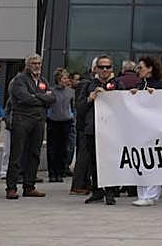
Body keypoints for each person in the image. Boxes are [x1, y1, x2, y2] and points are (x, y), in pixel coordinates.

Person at [5, 53, 54, 200]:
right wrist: (42, 97)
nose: (37, 66)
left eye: (39, 63)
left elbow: (52, 98)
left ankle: (29, 185)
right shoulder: (19, 80)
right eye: (34, 63)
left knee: (34, 154)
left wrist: (36, 96)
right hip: (22, 120)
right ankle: (11, 187)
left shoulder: (43, 80)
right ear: (27, 65)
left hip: (39, 121)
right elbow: (23, 98)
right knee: (17, 154)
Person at [74, 56, 118, 205]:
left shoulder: (118, 84)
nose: (105, 70)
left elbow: (127, 103)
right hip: (92, 129)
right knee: (93, 161)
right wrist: (89, 98)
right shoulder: (88, 85)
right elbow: (79, 108)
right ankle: (97, 190)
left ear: (112, 69)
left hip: (112, 129)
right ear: (96, 69)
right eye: (102, 67)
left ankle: (110, 192)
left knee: (110, 160)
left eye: (108, 67)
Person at [129, 56, 162, 207]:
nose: (138, 70)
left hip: (156, 130)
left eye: (141, 67)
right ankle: (142, 193)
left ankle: (151, 194)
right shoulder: (139, 86)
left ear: (150, 68)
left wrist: (157, 96)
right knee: (142, 161)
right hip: (141, 130)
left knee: (154, 161)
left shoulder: (160, 86)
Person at [46, 68, 74, 183]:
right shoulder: (51, 91)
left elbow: (72, 106)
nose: (66, 80)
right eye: (64, 78)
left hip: (66, 121)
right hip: (53, 120)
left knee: (63, 148)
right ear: (58, 79)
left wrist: (72, 116)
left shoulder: (70, 92)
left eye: (67, 78)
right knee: (53, 148)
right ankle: (52, 173)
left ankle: (61, 171)